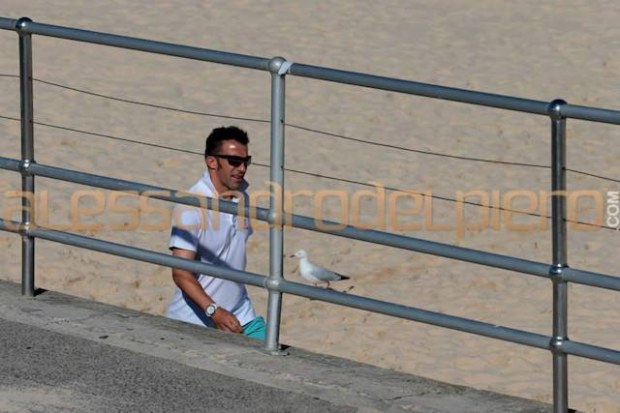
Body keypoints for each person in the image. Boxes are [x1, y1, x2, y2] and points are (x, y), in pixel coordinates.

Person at [165, 125, 266, 340]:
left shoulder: (243, 197)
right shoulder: (190, 207)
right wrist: (214, 311)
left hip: (242, 316)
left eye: (246, 161)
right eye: (234, 161)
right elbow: (180, 273)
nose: (242, 168)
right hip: (197, 321)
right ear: (212, 161)